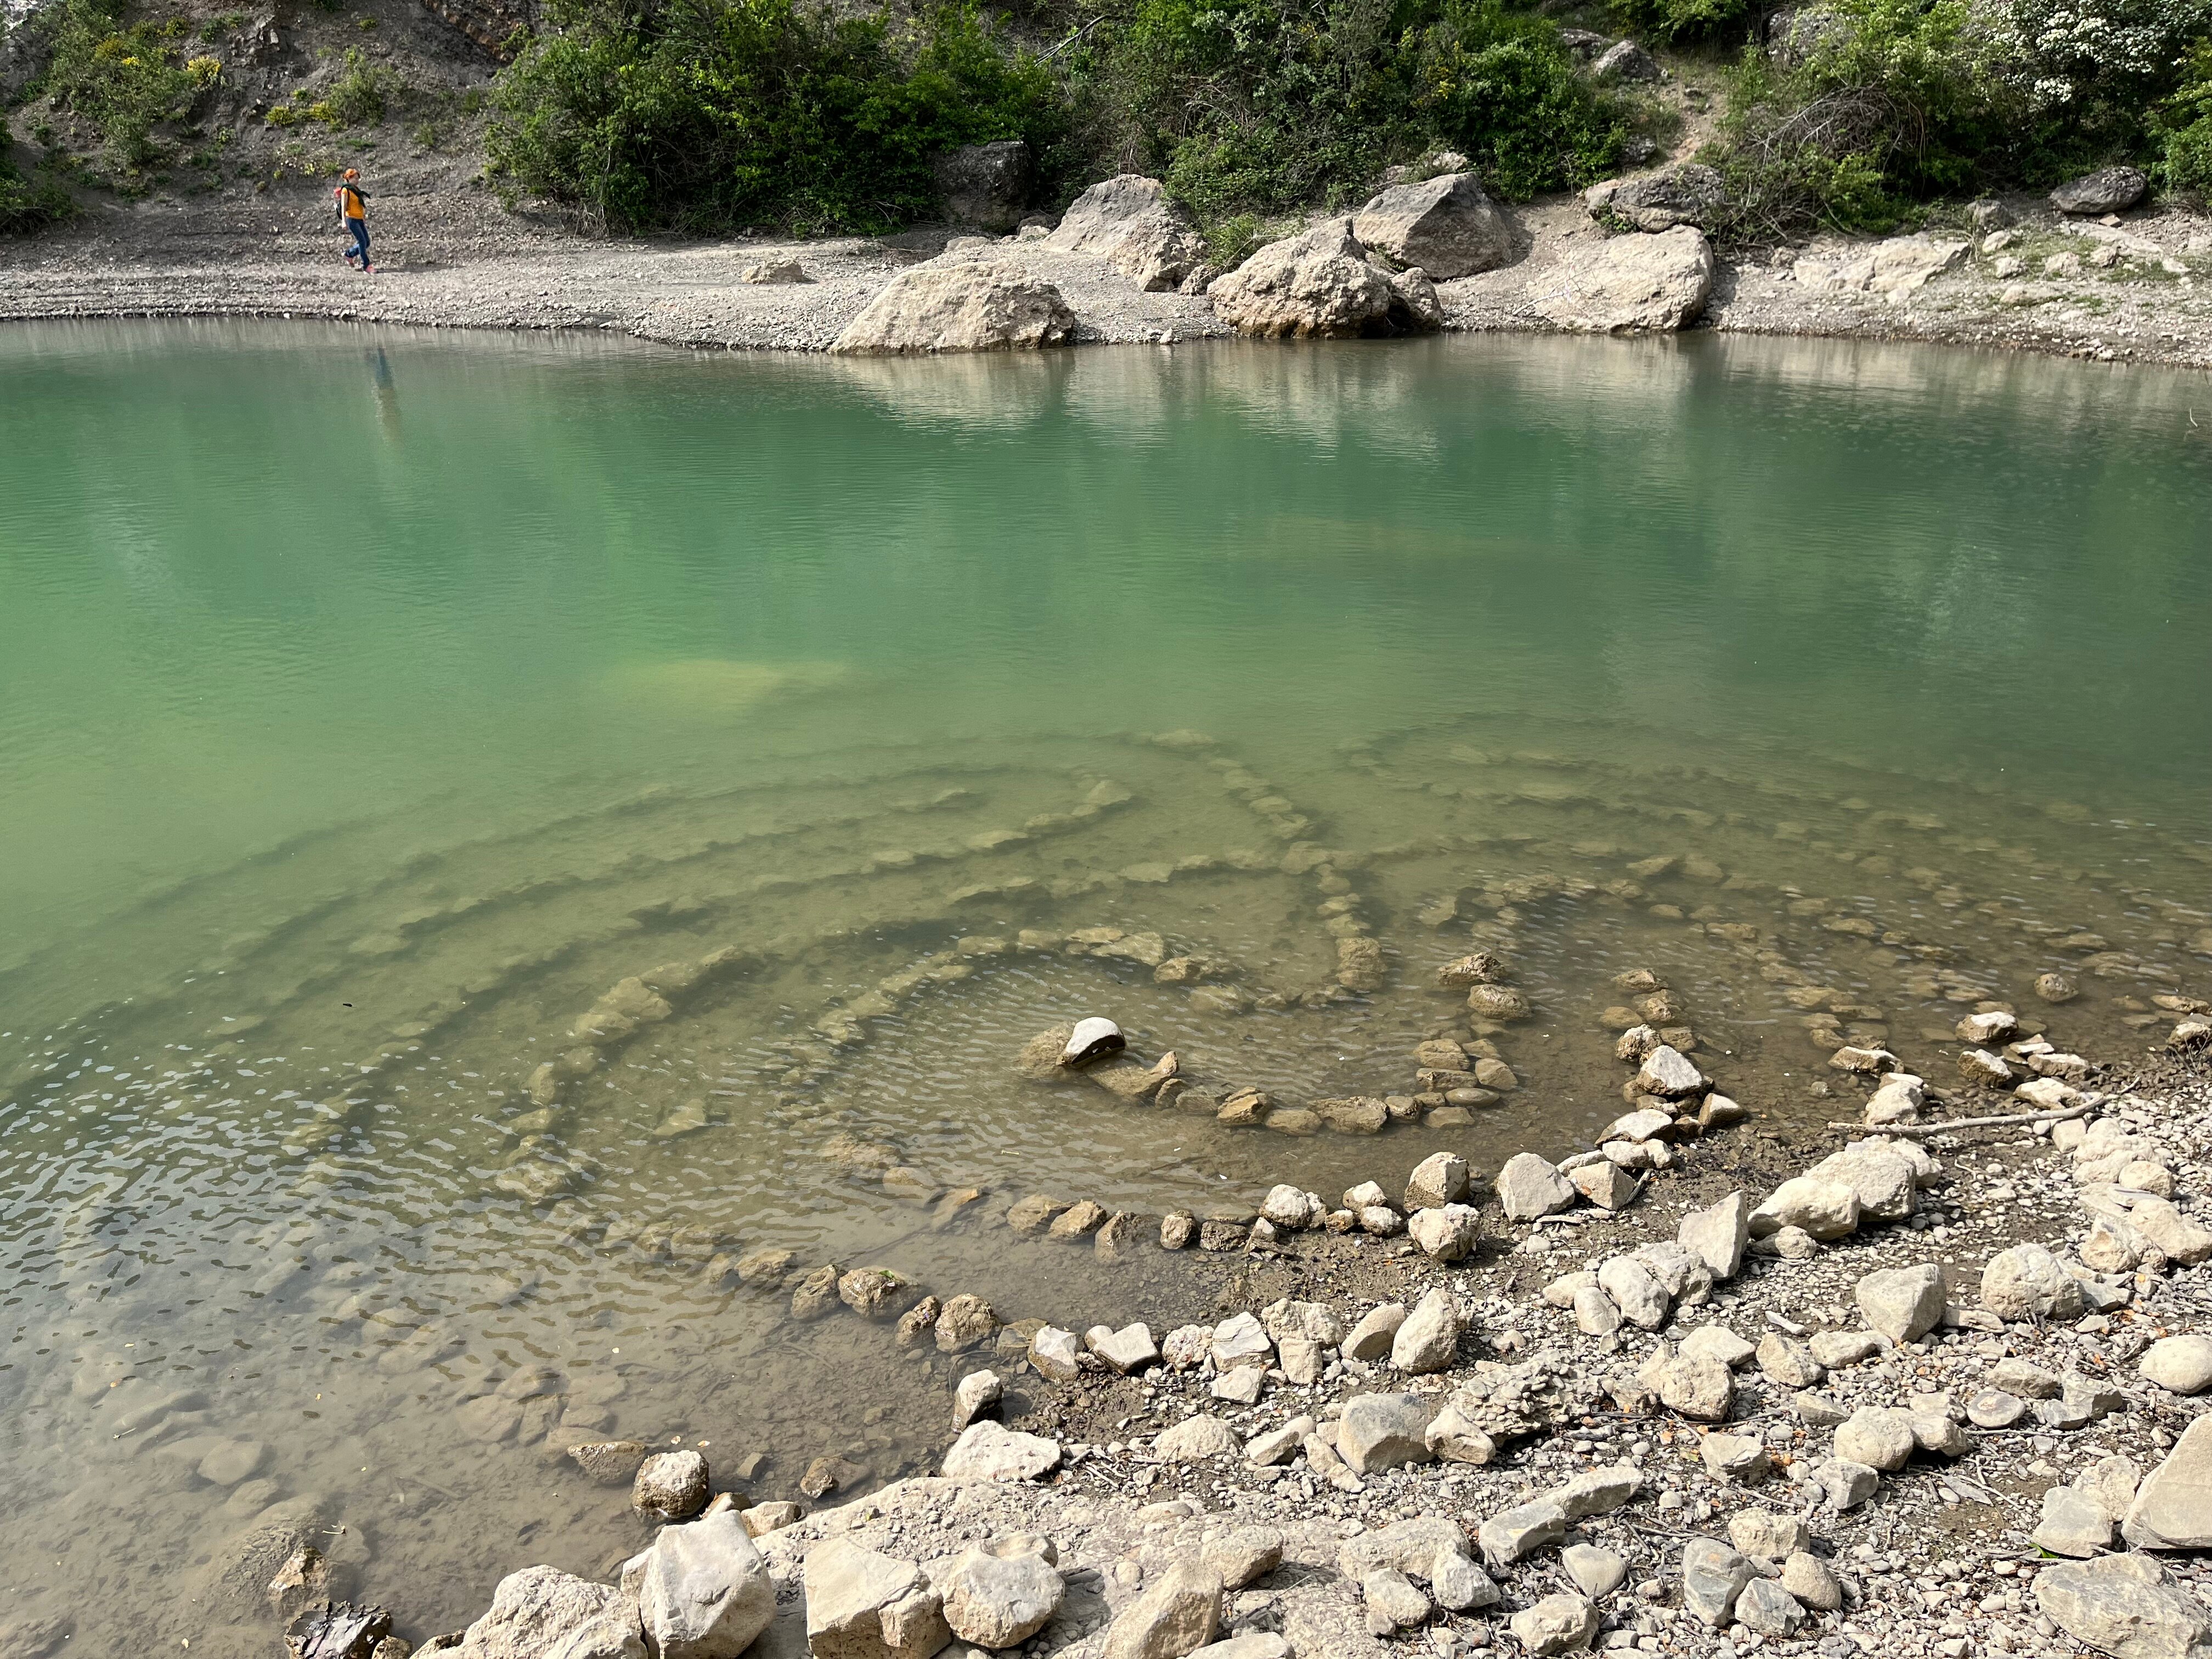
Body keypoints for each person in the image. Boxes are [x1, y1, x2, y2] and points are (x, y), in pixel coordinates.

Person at [334, 168, 373, 273]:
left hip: (359, 219)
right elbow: (344, 206)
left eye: (358, 178)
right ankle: (366, 265)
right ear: (349, 178)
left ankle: (349, 254)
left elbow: (359, 206)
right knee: (362, 241)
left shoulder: (357, 191)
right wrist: (343, 221)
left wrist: (363, 217)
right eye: (356, 178)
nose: (358, 180)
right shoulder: (346, 190)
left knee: (367, 242)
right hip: (351, 219)